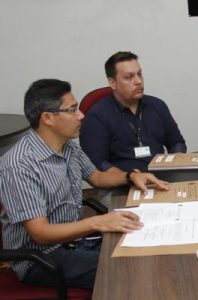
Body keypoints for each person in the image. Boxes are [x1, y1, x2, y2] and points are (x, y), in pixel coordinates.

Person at [0, 79, 170, 290]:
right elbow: (40, 233)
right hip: (41, 259)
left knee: (144, 250)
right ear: (48, 118)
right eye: (72, 110)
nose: (81, 115)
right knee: (128, 270)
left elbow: (97, 177)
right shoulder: (20, 165)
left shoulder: (67, 146)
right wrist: (97, 223)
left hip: (76, 241)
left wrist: (131, 176)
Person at [80, 51, 186, 172]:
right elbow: (97, 164)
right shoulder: (97, 116)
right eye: (129, 77)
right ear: (112, 83)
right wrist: (129, 178)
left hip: (162, 178)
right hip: (123, 184)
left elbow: (177, 142)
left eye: (139, 74)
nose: (138, 81)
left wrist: (175, 160)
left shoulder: (157, 105)